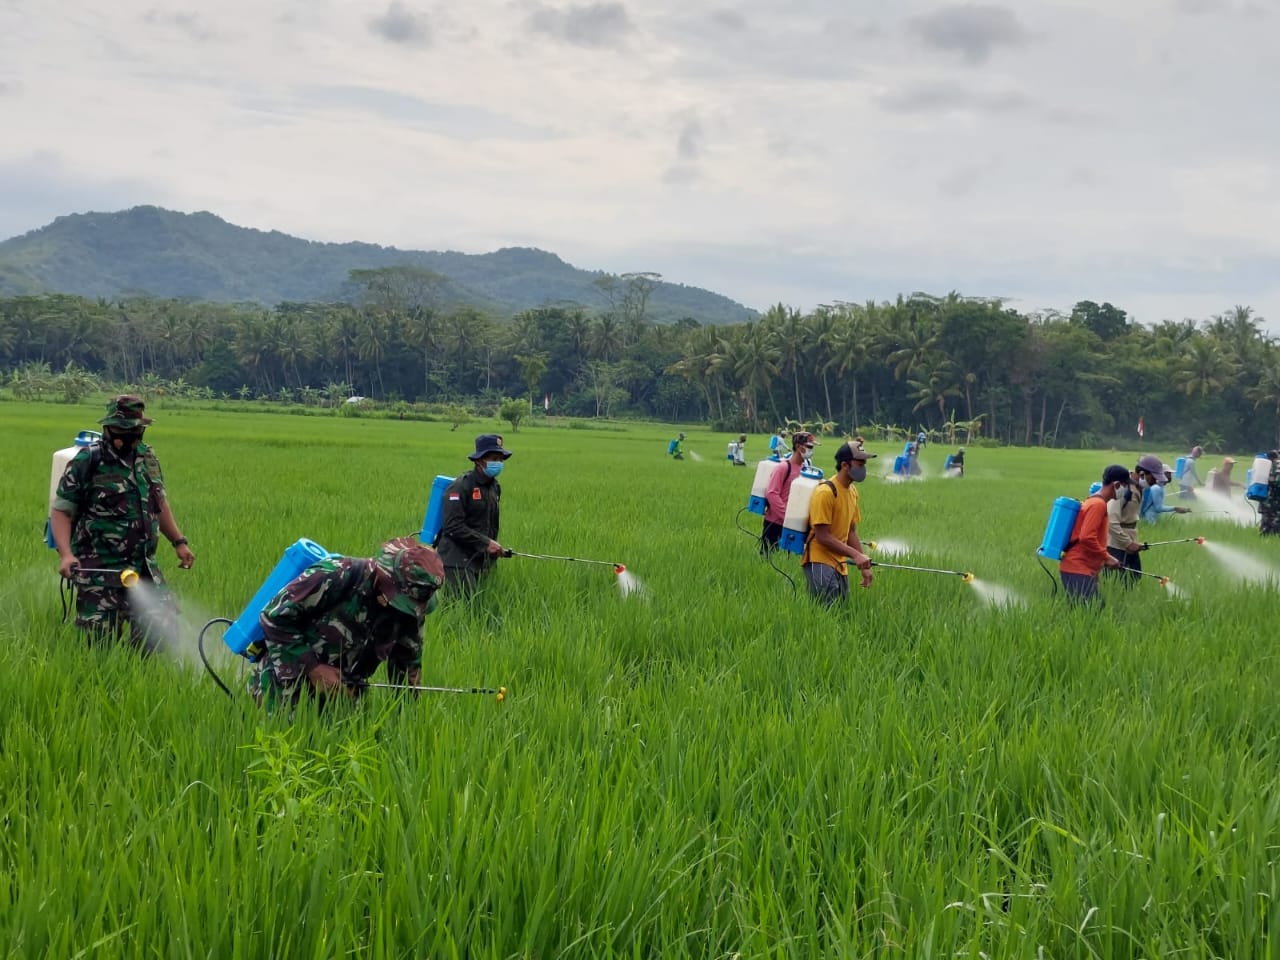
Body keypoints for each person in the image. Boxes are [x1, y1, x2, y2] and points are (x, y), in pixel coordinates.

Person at [50, 395, 195, 653]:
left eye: (134, 431)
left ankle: (139, 680)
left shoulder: (147, 458)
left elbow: (158, 503)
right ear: (107, 428)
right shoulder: (88, 461)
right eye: (121, 431)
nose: (127, 438)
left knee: (160, 630)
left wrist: (179, 542)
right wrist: (66, 554)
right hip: (100, 569)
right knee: (98, 645)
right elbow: (62, 512)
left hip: (143, 566)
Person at [250, 537, 444, 708]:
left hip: (344, 694)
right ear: (387, 578)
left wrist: (409, 723)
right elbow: (273, 616)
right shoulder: (337, 575)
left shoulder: (411, 609)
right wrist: (313, 667)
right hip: (285, 686)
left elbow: (407, 666)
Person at [800, 441, 876, 605]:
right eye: (859, 463)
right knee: (824, 613)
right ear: (845, 465)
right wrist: (856, 555)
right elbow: (823, 536)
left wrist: (865, 565)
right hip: (820, 561)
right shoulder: (826, 492)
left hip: (840, 563)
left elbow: (851, 531)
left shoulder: (852, 492)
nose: (863, 468)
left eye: (864, 464)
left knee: (840, 611)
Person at [436, 433, 511, 594]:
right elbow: (452, 526)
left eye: (500, 459)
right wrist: (486, 543)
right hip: (458, 561)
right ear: (478, 460)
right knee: (460, 609)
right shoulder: (460, 487)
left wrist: (492, 549)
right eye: (493, 459)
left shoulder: (494, 488)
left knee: (479, 609)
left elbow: (489, 525)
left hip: (482, 560)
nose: (497, 463)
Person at [1059, 465, 1127, 604]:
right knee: (1094, 611)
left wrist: (1097, 568)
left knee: (1087, 612)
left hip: (1081, 568)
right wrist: (1107, 557)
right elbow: (1086, 537)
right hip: (1077, 567)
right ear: (1117, 484)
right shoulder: (1098, 505)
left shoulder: (1094, 501)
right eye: (1125, 486)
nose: (1126, 491)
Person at [760, 431, 816, 554]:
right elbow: (772, 493)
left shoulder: (805, 471)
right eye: (809, 447)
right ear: (798, 446)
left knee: (787, 560)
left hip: (794, 525)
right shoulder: (783, 468)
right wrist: (787, 516)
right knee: (768, 558)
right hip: (775, 523)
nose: (812, 450)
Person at [1106, 468, 1145, 585]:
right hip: (1116, 544)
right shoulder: (1121, 493)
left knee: (1134, 576)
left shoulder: (1137, 490)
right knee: (1115, 580)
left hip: (1128, 539)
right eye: (1153, 477)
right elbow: (1111, 523)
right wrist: (1128, 543)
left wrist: (1132, 542)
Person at [1137, 454, 1189, 524]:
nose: (1170, 476)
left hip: (1152, 517)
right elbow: (1158, 508)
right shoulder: (1156, 488)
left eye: (1170, 474)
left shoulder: (1160, 487)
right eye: (1168, 473)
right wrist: (1175, 508)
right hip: (1149, 517)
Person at [1261, 451, 1280, 536]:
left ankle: (1265, 535)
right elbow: (1274, 482)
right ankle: (1272, 535)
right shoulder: (1275, 466)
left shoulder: (1266, 466)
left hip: (1266, 499)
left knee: (1267, 520)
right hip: (1273, 499)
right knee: (1275, 519)